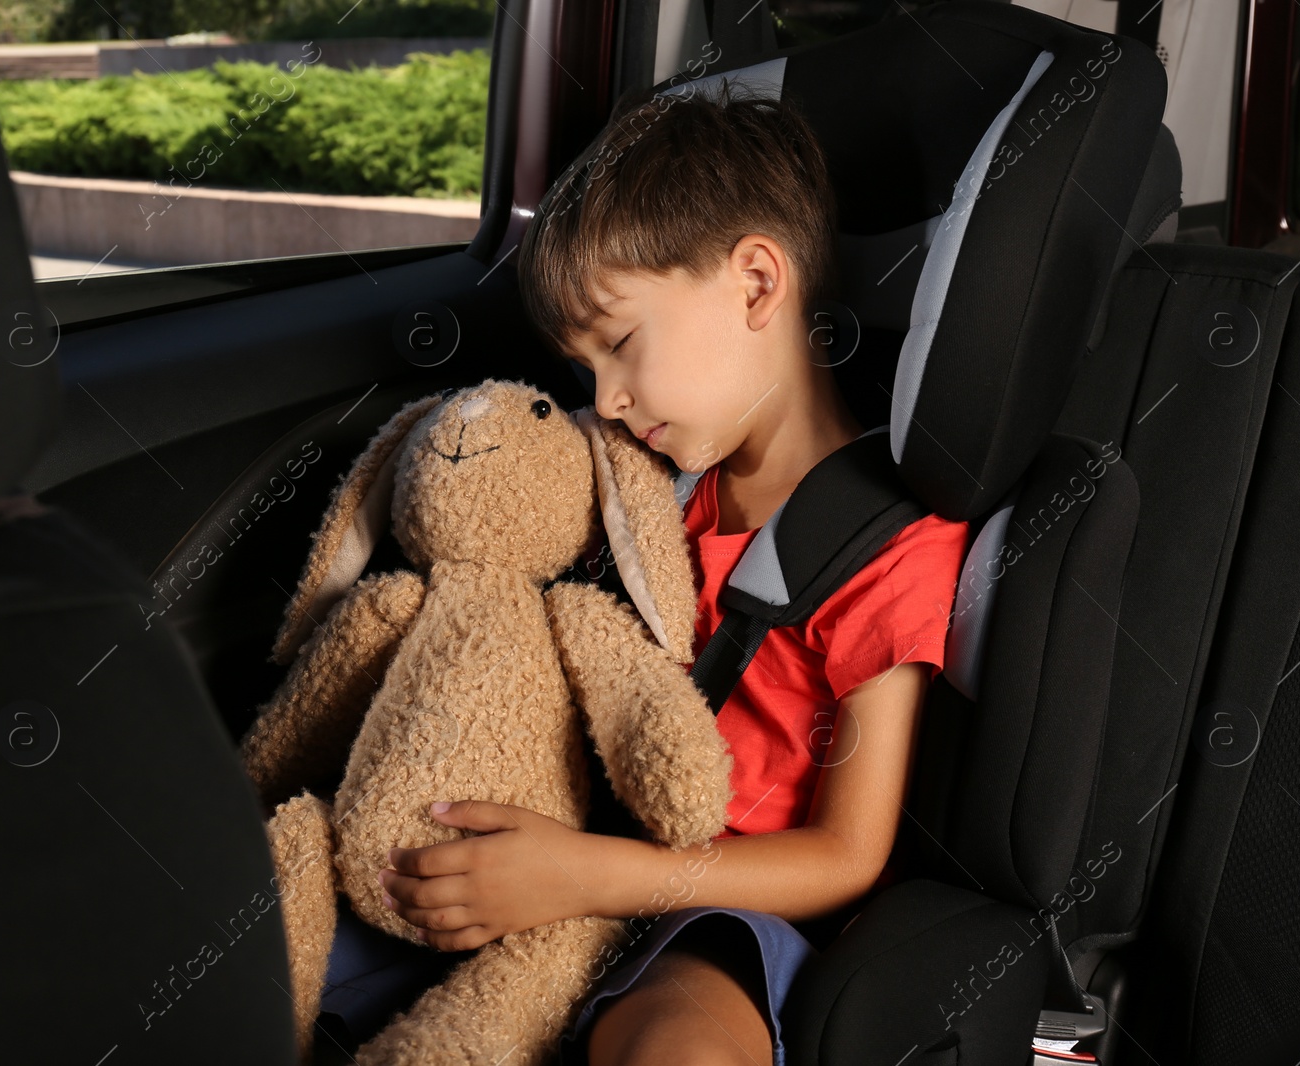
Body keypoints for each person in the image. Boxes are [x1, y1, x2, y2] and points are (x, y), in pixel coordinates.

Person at [329, 82, 969, 1065]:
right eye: (587, 368)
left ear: (759, 283)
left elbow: (847, 857)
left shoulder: (887, 550)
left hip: (721, 913)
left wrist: (585, 876)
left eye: (621, 345)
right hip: (566, 842)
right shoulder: (651, 503)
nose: (609, 399)